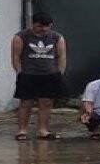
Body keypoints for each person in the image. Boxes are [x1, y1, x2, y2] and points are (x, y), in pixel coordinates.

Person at [11, 11, 67, 141]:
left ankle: (43, 130)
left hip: (50, 75)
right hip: (28, 74)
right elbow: (16, 57)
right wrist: (20, 73)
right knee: (26, 103)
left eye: (47, 26)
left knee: (46, 103)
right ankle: (22, 131)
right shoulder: (21, 37)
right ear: (33, 25)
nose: (43, 29)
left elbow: (62, 56)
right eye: (40, 26)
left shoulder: (57, 37)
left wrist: (59, 73)